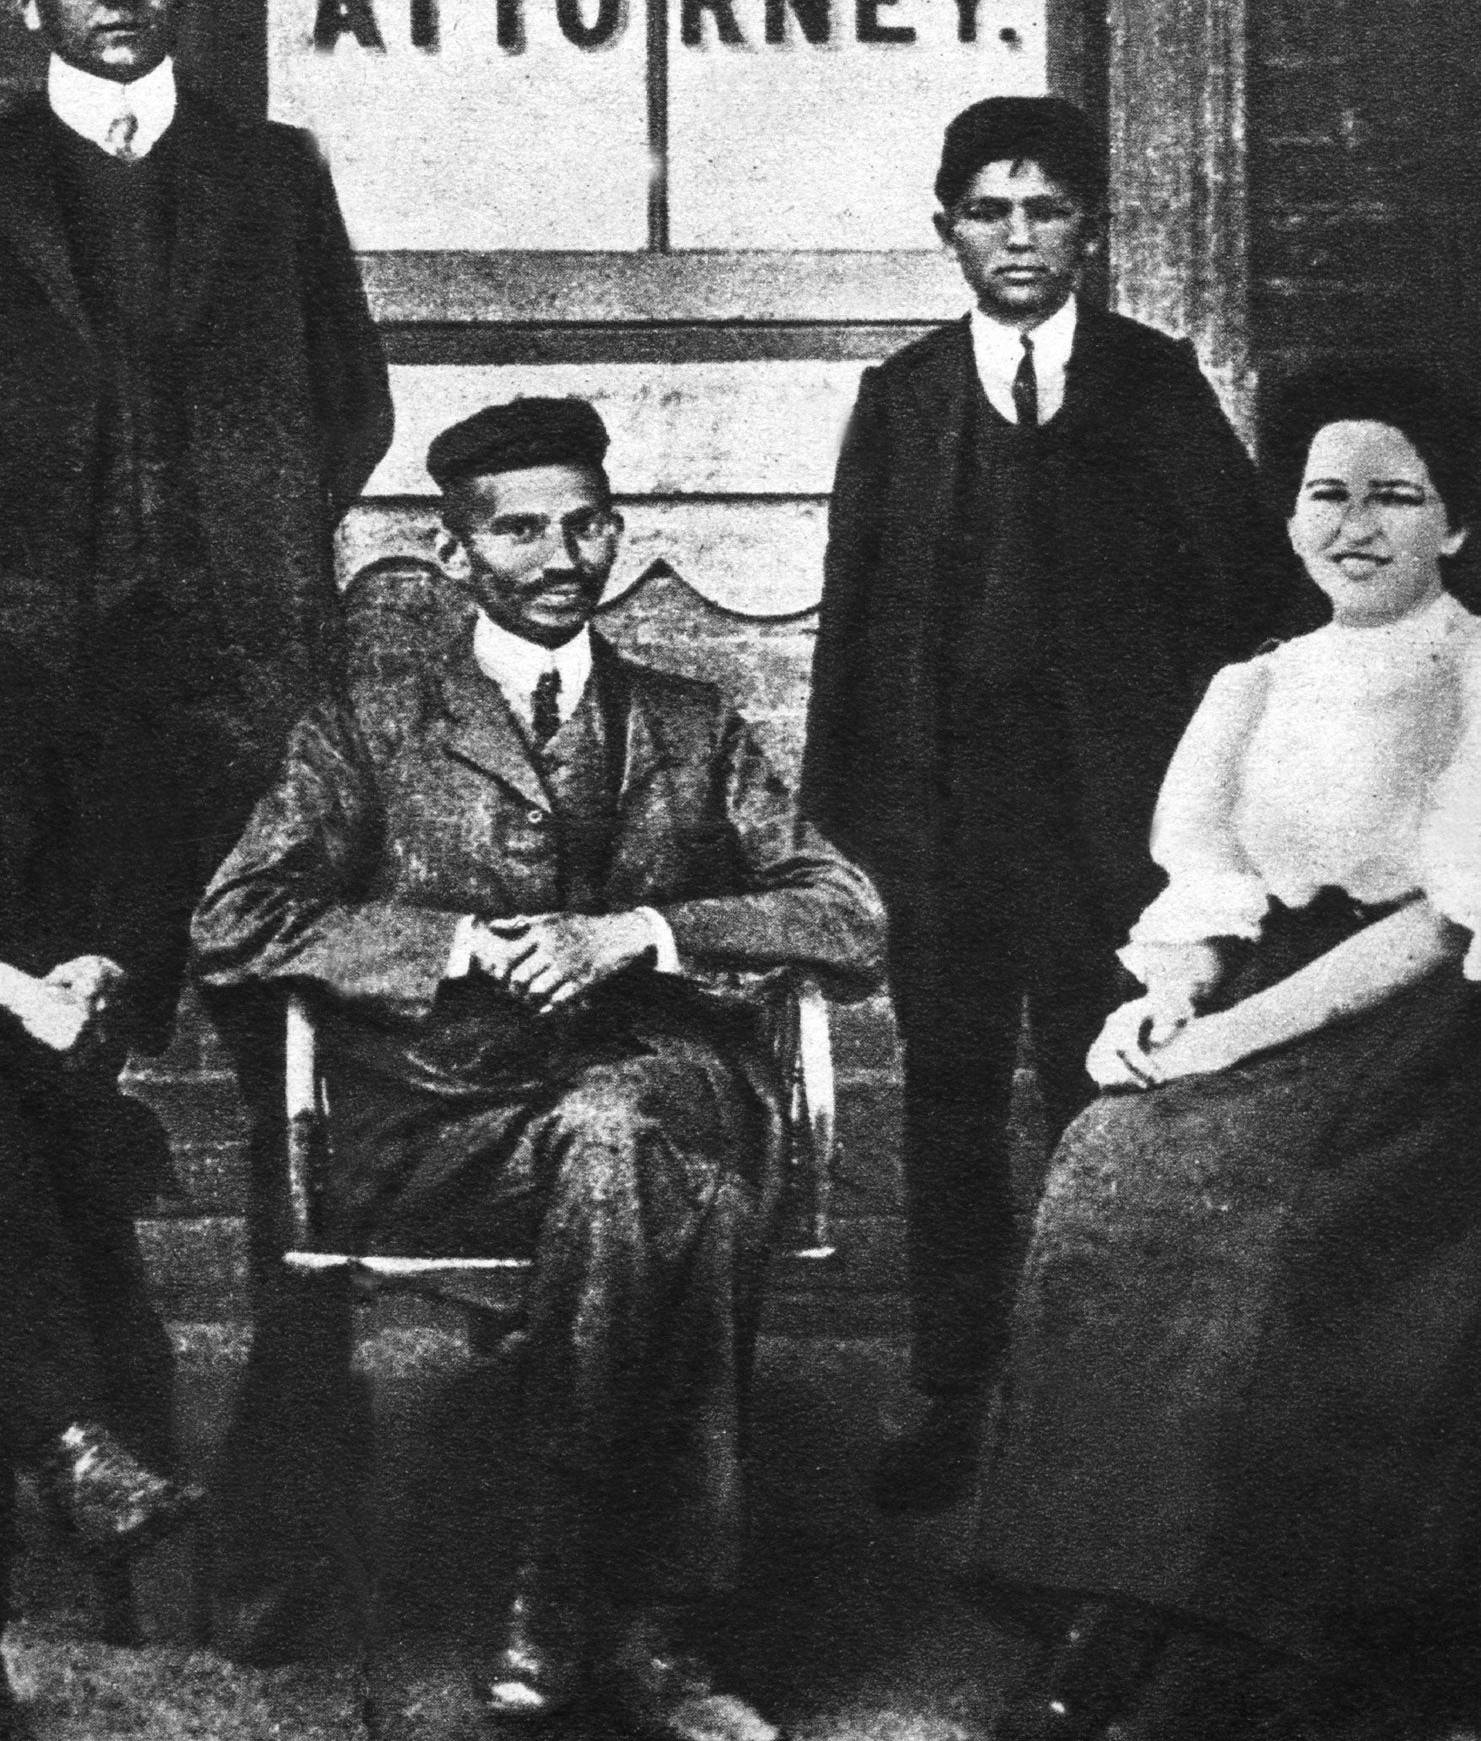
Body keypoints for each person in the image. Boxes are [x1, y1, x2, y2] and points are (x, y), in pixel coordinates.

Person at [190, 397, 886, 1738]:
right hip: (451, 1124)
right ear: (458, 557)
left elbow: (848, 915)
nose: (562, 554)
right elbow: (234, 922)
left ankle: (550, 1597)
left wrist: (644, 930)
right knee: (659, 1178)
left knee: (624, 1128)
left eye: (587, 523)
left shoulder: (693, 725)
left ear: (616, 528)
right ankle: (650, 1626)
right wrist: (452, 945)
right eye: (520, 529)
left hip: (654, 1089)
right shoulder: (369, 728)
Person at [801, 95, 1291, 1512]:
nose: (1020, 236)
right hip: (950, 833)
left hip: (1111, 840)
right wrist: (855, 833)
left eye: (1050, 208)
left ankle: (1102, 1406)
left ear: (1093, 225)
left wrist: (1201, 813)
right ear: (944, 226)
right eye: (991, 210)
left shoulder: (1150, 380)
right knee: (949, 1111)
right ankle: (958, 1392)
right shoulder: (903, 397)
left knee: (1111, 1095)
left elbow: (1253, 597)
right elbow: (855, 626)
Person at [980, 360, 1481, 1740]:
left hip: (1431, 1029)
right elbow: (1212, 891)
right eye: (1328, 494)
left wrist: (1229, 1046)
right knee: (1103, 1162)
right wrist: (1168, 1002)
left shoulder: (1479, 674)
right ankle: (1101, 1596)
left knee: (1265, 1208)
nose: (1356, 525)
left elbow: (1437, 932)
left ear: (1456, 523)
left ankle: (1214, 1624)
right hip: (1269, 989)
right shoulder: (1255, 687)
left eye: (1398, 495)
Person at [0, 0, 392, 1049]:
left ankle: (287, 1241)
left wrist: (255, 538)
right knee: (50, 1013)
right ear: (26, 0)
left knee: (280, 1014)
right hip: (32, 667)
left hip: (242, 668)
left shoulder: (272, 171)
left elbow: (352, 403)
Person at [0, 653, 204, 1741]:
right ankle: (70, 1434)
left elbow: (72, 872)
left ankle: (81, 1448)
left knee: (36, 1131)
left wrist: (90, 962)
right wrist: (13, 993)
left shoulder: (23, 688)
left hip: (20, 1073)